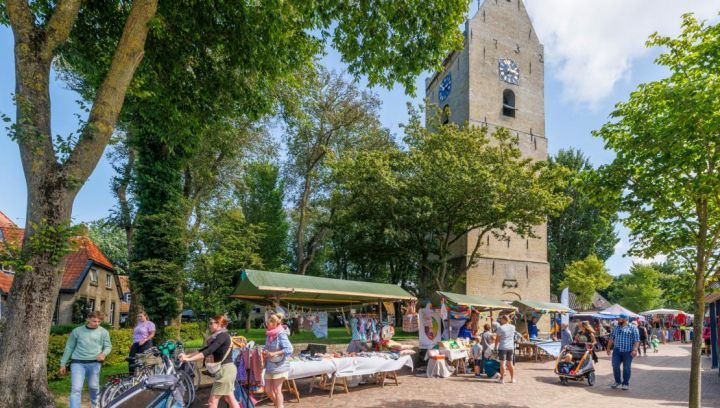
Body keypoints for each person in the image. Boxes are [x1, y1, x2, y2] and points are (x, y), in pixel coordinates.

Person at [180, 315, 239, 408]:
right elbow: (204, 349)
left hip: (225, 372)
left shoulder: (222, 336)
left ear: (219, 324)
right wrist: (187, 356)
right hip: (227, 370)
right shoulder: (219, 336)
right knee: (229, 398)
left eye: (211, 323)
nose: (209, 325)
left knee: (212, 402)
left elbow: (209, 351)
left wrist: (189, 359)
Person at [59, 311, 112, 408]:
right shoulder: (77, 331)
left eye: (99, 322)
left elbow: (108, 346)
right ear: (88, 319)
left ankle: (95, 405)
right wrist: (63, 363)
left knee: (94, 387)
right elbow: (69, 347)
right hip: (78, 363)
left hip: (95, 363)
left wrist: (104, 354)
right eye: (94, 321)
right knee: (76, 389)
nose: (96, 323)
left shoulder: (103, 332)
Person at [263, 313, 294, 408]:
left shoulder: (281, 334)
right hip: (270, 366)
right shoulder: (269, 334)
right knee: (268, 390)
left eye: (268, 323)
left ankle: (279, 406)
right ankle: (278, 405)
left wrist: (274, 353)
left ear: (274, 323)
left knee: (277, 390)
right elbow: (267, 347)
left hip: (280, 366)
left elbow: (289, 349)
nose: (266, 325)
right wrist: (264, 351)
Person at [607, 313, 640, 391]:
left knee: (626, 368)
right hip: (617, 351)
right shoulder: (616, 328)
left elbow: (637, 340)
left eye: (619, 319)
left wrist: (635, 350)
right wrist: (608, 348)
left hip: (628, 351)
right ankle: (617, 381)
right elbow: (611, 338)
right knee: (615, 366)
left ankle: (625, 383)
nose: (617, 320)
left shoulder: (633, 328)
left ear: (625, 319)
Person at [494, 314, 516, 384]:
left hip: (503, 347)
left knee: (502, 364)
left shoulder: (500, 328)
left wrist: (495, 347)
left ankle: (502, 379)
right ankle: (512, 378)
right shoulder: (513, 327)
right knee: (510, 364)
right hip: (510, 347)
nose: (500, 320)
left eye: (501, 319)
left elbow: (497, 339)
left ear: (503, 320)